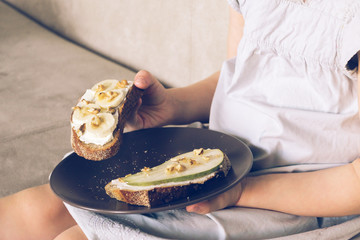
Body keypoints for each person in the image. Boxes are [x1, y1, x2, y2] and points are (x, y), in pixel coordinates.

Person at [1, 0, 360, 239]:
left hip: (298, 194)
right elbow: (233, 81)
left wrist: (241, 192)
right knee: (34, 210)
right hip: (219, 155)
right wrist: (172, 106)